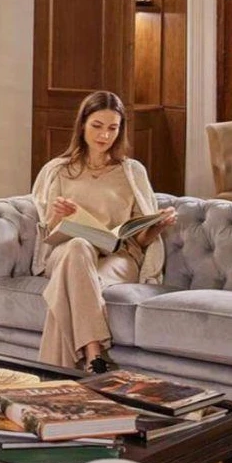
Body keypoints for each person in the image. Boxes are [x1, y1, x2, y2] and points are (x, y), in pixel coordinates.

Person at [31, 91, 177, 373]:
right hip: (67, 251)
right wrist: (59, 215)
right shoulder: (58, 170)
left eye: (113, 128)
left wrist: (156, 225)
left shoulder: (131, 171)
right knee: (78, 247)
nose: (104, 135)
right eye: (97, 126)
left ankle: (56, 377)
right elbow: (48, 231)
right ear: (82, 125)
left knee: (69, 286)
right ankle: (94, 352)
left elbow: (139, 239)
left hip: (118, 257)